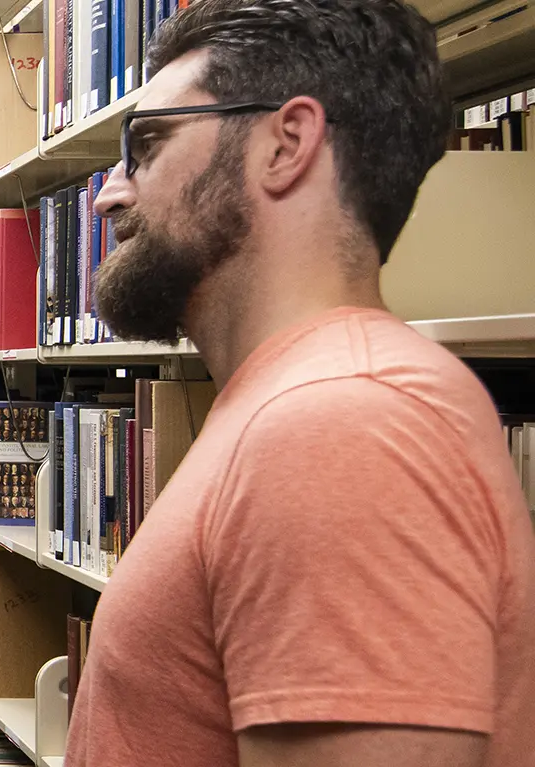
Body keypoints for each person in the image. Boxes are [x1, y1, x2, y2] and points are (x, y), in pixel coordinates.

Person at [70, 0, 535, 765]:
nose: (108, 193)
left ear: (286, 145)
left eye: (146, 144)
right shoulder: (296, 400)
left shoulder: (344, 422)